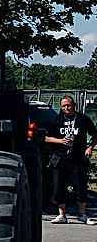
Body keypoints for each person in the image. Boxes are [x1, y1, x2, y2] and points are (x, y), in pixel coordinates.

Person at [47, 96, 97, 224]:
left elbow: (95, 134)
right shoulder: (57, 120)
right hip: (60, 157)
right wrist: (60, 141)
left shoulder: (82, 119)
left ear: (74, 105)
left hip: (77, 158)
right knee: (59, 186)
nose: (66, 108)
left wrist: (90, 148)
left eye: (68, 105)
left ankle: (82, 214)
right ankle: (61, 215)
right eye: (63, 106)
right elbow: (47, 138)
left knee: (79, 186)